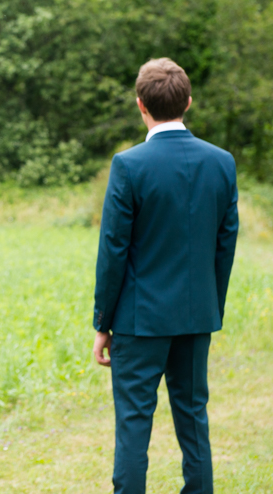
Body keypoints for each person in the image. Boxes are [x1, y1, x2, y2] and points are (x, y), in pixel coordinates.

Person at [92, 58, 239, 494]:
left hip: (139, 323)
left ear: (141, 105)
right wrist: (210, 307)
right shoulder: (222, 163)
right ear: (188, 102)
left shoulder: (129, 165)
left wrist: (103, 324)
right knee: (194, 420)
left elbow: (113, 251)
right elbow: (225, 246)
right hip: (196, 318)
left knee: (134, 424)